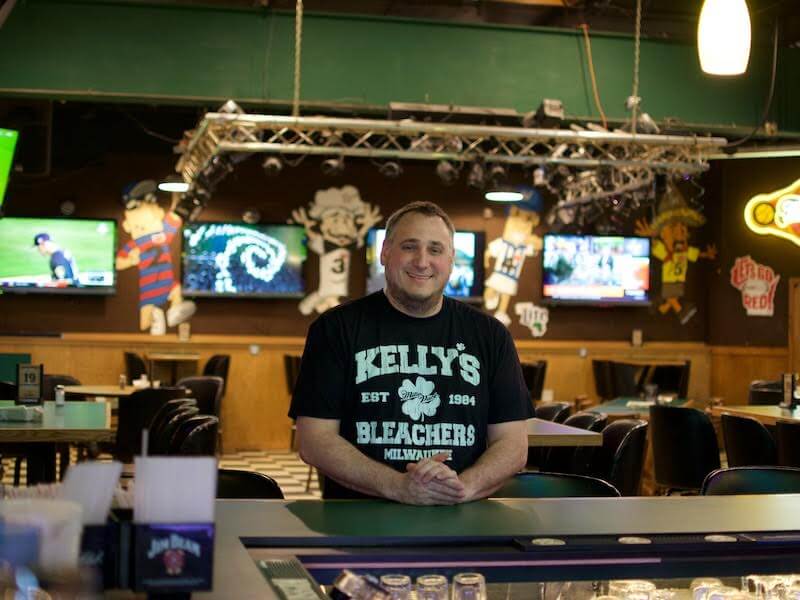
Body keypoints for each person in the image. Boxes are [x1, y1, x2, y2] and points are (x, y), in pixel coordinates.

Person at [290, 201, 532, 504]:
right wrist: (398, 486)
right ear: (385, 252)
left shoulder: (491, 335)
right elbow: (314, 440)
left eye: (435, 249)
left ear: (451, 259)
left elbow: (513, 444)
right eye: (409, 246)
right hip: (356, 524)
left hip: (464, 519)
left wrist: (463, 487)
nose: (422, 261)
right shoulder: (335, 329)